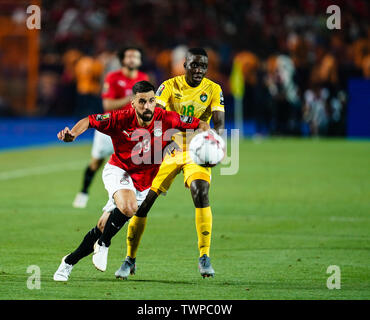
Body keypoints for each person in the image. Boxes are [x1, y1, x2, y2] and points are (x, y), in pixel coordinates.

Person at [53, 80, 210, 281]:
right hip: (119, 170)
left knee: (103, 226)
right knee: (128, 208)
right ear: (133, 103)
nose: (147, 106)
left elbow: (201, 124)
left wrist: (205, 142)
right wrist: (72, 134)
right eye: (142, 102)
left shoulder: (167, 118)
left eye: (152, 101)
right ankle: (103, 244)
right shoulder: (120, 118)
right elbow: (89, 120)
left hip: (143, 181)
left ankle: (68, 262)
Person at [116, 48, 225, 279]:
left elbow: (220, 124)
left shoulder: (214, 89)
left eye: (203, 66)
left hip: (196, 152)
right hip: (167, 149)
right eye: (194, 65)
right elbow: (157, 116)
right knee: (143, 204)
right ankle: (129, 259)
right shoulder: (168, 86)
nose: (199, 70)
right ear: (185, 64)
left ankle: (204, 256)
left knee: (201, 192)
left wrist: (218, 149)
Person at [73, 47, 149, 208]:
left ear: (140, 61)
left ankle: (125, 200)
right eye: (128, 56)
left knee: (133, 165)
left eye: (135, 56)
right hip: (111, 128)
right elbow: (107, 105)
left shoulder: (143, 78)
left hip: (132, 131)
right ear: (122, 60)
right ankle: (83, 191)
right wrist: (131, 98)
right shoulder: (113, 78)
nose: (132, 59)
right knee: (95, 163)